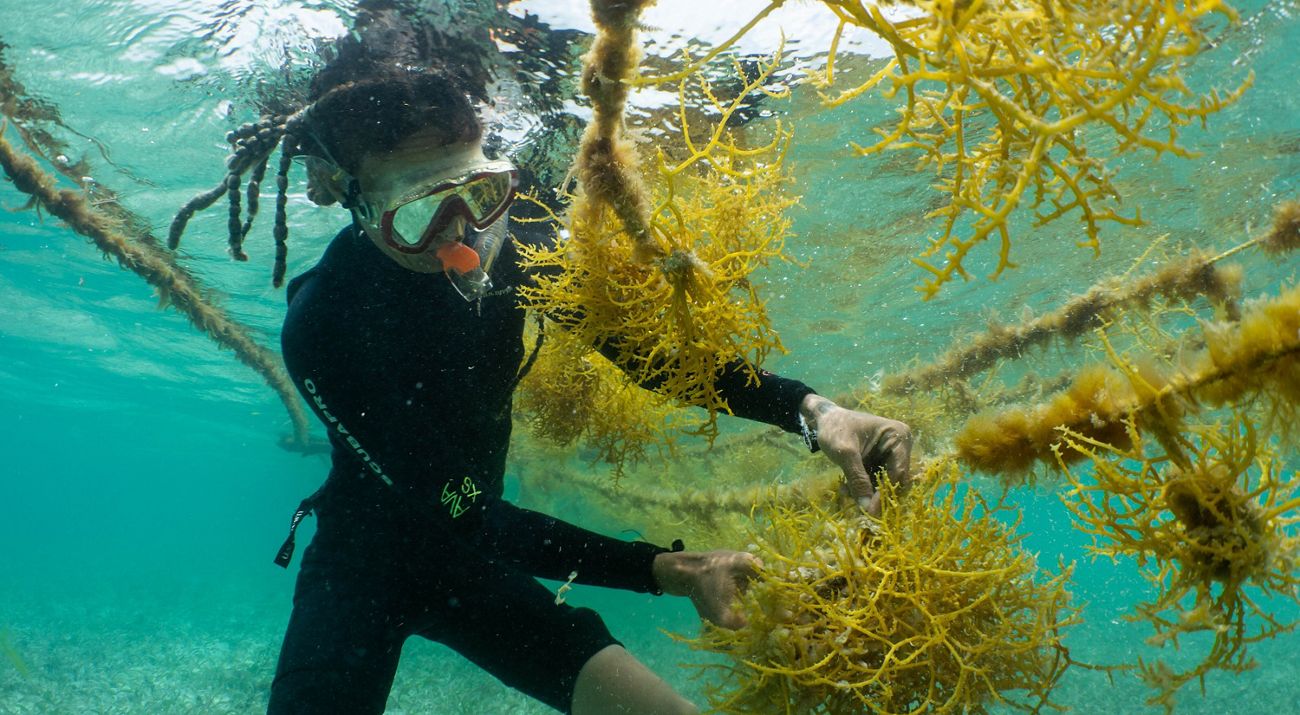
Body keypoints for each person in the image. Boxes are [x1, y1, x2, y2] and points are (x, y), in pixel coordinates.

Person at [171, 31, 912, 715]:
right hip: (363, 566)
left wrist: (813, 410)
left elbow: (648, 360)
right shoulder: (325, 325)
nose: (459, 234)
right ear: (342, 192)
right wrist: (666, 568)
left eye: (479, 191)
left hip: (475, 562)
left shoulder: (517, 242)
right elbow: (466, 510)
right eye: (416, 214)